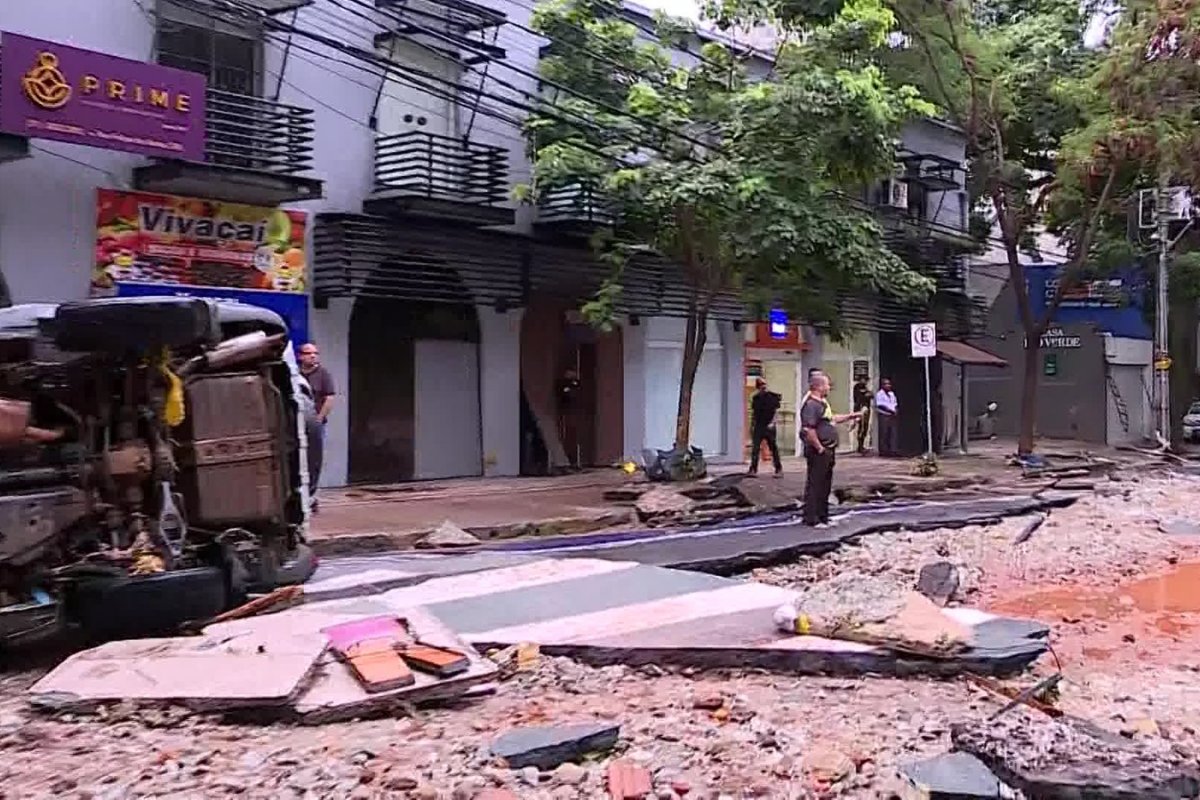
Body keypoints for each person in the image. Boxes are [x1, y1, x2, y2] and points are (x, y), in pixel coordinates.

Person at [800, 373, 861, 527]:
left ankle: (823, 515)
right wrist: (819, 447)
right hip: (819, 450)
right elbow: (809, 429)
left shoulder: (823, 403)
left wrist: (851, 416)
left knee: (825, 484)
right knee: (815, 483)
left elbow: (831, 419)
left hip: (828, 448)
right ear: (819, 386)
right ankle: (811, 518)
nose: (829, 387)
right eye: (827, 385)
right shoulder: (811, 405)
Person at [298, 342, 336, 511]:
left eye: (315, 353)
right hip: (297, 425)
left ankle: (312, 496)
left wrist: (319, 419)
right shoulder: (296, 375)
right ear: (301, 356)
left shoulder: (323, 374)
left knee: (314, 460)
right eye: (309, 353)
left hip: (315, 425)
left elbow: (329, 398)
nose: (313, 356)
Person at [748, 378, 783, 477]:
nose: (762, 387)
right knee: (755, 449)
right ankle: (753, 469)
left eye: (763, 385)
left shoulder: (772, 397)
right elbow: (754, 414)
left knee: (773, 448)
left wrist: (773, 423)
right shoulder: (756, 398)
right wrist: (752, 426)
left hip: (769, 425)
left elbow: (776, 412)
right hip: (759, 425)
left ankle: (778, 469)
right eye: (760, 385)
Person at [556, 366, 583, 470]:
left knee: (574, 437)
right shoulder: (563, 385)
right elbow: (564, 394)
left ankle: (574, 461)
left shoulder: (576, 384)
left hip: (574, 412)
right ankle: (565, 462)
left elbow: (578, 391)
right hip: (566, 412)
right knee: (566, 435)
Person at [874, 377, 899, 457]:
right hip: (884, 415)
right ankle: (884, 451)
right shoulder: (879, 394)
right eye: (886, 384)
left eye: (889, 384)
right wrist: (890, 411)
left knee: (893, 433)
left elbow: (895, 403)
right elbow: (880, 405)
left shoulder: (892, 394)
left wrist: (895, 410)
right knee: (884, 433)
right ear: (882, 385)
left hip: (892, 415)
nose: (888, 385)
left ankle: (893, 450)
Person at [852, 374, 872, 454]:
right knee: (861, 427)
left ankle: (862, 445)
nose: (865, 382)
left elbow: (871, 395)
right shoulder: (857, 387)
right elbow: (860, 397)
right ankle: (860, 446)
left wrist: (868, 394)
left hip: (866, 410)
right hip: (860, 409)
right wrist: (866, 394)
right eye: (863, 380)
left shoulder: (866, 388)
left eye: (866, 380)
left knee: (865, 428)